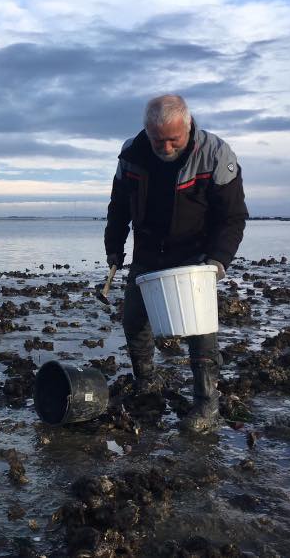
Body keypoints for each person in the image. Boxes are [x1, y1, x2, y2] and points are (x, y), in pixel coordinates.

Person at [104, 94, 248, 432]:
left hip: (196, 255)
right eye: (158, 140)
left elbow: (233, 217)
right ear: (146, 132)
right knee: (135, 320)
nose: (166, 147)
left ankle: (206, 405)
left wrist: (218, 260)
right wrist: (113, 247)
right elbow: (118, 207)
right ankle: (146, 382)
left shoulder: (216, 154)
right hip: (149, 251)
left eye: (174, 139)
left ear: (188, 126)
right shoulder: (131, 154)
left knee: (201, 332)